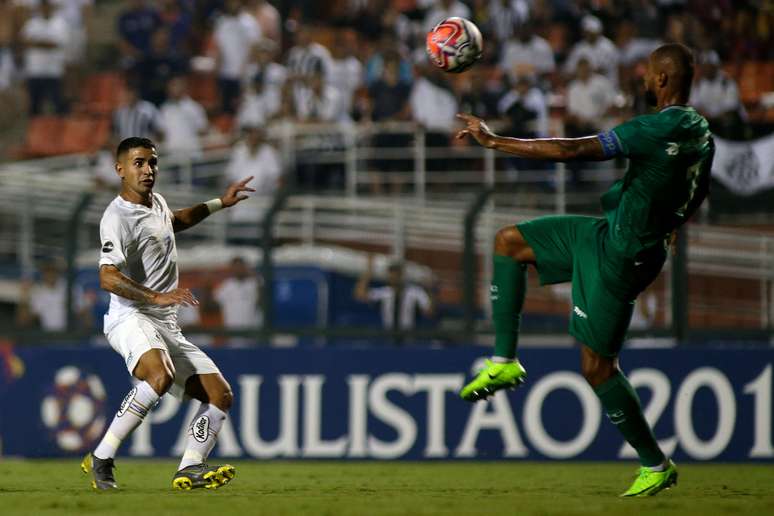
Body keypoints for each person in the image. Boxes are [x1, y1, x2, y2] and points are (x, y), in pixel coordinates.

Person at [456, 43, 714, 497]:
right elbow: (699, 187)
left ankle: (656, 464)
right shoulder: (702, 132)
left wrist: (496, 142)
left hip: (623, 253)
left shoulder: (653, 128)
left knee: (597, 368)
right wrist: (673, 222)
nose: (642, 78)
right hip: (609, 233)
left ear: (662, 80)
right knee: (509, 242)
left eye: (648, 73)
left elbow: (576, 150)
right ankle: (503, 361)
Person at [81, 137, 255, 491]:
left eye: (153, 163)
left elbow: (175, 220)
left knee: (219, 395)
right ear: (120, 169)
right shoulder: (116, 217)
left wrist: (220, 202)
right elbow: (107, 277)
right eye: (139, 163)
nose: (148, 170)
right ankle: (102, 456)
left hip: (165, 323)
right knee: (159, 376)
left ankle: (189, 467)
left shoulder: (156, 202)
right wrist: (155, 296)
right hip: (130, 316)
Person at [353, 256, 434, 332]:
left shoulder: (415, 292)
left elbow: (429, 312)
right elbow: (360, 295)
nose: (394, 277)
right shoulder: (385, 292)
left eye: (397, 274)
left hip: (409, 338)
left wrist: (429, 289)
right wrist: (368, 273)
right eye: (391, 274)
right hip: (388, 338)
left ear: (402, 275)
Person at [213, 256, 261, 346]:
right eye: (235, 267)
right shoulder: (227, 285)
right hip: (233, 332)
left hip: (252, 331)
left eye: (240, 266)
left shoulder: (254, 283)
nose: (238, 269)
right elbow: (213, 303)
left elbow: (263, 301)